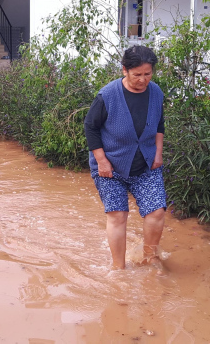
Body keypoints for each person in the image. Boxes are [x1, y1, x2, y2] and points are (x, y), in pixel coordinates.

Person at [84, 45, 166, 270]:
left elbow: (159, 123)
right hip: (110, 167)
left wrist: (158, 152)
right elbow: (90, 127)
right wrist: (101, 161)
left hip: (147, 163)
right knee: (118, 216)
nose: (143, 79)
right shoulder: (108, 95)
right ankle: (119, 268)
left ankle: (150, 260)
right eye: (137, 74)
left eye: (147, 74)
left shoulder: (156, 92)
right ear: (124, 70)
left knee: (156, 212)